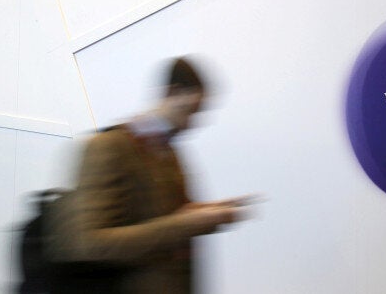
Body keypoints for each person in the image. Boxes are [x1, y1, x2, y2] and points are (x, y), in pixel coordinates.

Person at [45, 57, 252, 293]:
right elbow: (89, 243)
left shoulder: (169, 151)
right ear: (172, 92)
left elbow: (170, 214)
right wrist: (184, 224)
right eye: (189, 111)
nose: (191, 124)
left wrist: (208, 214)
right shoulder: (107, 147)